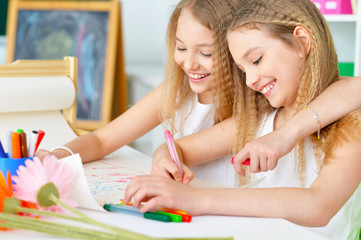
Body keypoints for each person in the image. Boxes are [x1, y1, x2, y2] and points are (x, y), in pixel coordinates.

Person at [39, 0, 360, 187]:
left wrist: (288, 132)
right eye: (180, 47)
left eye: (206, 53)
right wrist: (57, 156)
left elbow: (350, 87)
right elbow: (103, 139)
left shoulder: (262, 107)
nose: (189, 63)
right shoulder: (176, 91)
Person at [124, 0, 361, 239]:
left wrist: (195, 199)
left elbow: (318, 206)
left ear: (302, 41)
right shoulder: (260, 121)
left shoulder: (351, 125)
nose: (250, 81)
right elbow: (175, 148)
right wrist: (165, 162)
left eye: (256, 60)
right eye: (243, 69)